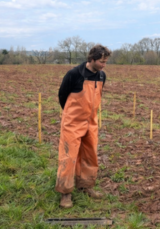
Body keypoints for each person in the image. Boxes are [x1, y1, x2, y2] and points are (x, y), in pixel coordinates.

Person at [55, 44, 111, 208]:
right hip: (72, 122)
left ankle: (85, 186)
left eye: (106, 62)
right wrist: (71, 115)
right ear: (92, 59)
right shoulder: (74, 74)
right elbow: (62, 96)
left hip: (91, 122)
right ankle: (65, 193)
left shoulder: (102, 76)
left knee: (89, 155)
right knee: (68, 156)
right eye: (101, 61)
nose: (104, 65)